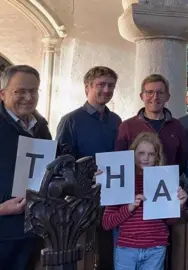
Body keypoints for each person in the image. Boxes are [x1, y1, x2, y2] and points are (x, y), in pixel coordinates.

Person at [55, 66, 122, 269]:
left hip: (112, 196)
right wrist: (83, 176)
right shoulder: (71, 121)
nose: (106, 90)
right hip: (81, 200)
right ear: (87, 88)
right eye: (101, 85)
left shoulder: (116, 120)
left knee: (107, 252)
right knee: (85, 253)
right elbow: (61, 162)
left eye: (111, 85)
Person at [102, 132, 188, 270]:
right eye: (141, 153)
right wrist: (129, 207)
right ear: (133, 154)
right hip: (126, 249)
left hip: (156, 248)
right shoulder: (121, 181)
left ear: (157, 157)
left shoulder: (164, 179)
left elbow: (170, 221)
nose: (145, 158)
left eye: (151, 154)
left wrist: (179, 205)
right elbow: (107, 223)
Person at [0, 65, 52, 269]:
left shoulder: (41, 127)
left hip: (33, 230)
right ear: (3, 94)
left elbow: (48, 169)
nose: (28, 97)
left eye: (33, 91)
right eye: (20, 91)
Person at [115, 74, 188, 176]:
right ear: (142, 96)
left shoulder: (177, 126)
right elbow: (119, 162)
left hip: (167, 186)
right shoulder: (127, 126)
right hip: (136, 188)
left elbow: (182, 161)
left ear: (167, 97)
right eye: (149, 92)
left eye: (160, 93)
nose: (155, 97)